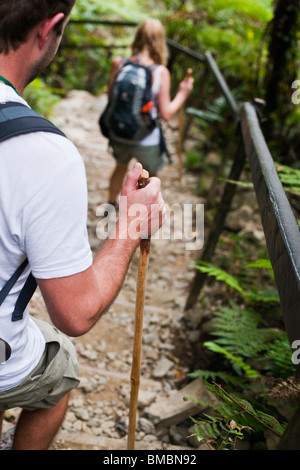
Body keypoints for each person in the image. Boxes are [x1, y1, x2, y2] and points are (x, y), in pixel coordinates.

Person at [0, 0, 165, 450]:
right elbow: (75, 313)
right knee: (61, 369)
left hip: (118, 135)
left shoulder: (123, 64)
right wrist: (130, 223)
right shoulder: (42, 153)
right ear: (49, 28)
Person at [106, 18, 194, 209]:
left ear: (137, 37)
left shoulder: (119, 63)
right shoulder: (161, 72)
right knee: (149, 176)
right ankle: (140, 215)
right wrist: (183, 93)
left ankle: (110, 206)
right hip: (146, 138)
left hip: (119, 133)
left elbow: (110, 97)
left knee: (120, 167)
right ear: (160, 42)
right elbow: (167, 113)